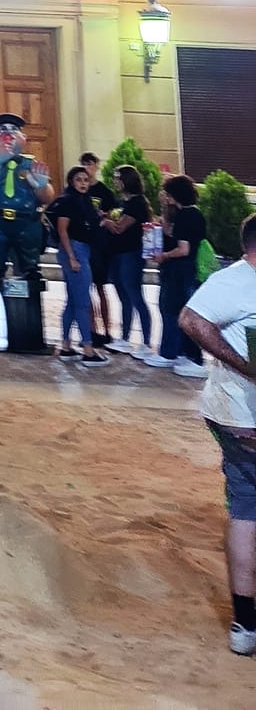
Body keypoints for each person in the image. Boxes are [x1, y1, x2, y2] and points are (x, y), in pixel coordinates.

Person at [178, 211, 256, 659]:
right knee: (246, 507)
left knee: (246, 509)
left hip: (236, 414)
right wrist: (244, 365)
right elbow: (191, 321)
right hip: (242, 416)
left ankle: (245, 623)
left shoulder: (236, 283)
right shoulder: (234, 282)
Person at [0, 113, 53, 292]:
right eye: (2, 129)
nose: (8, 133)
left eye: (14, 130)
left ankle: (31, 269)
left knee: (29, 251)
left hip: (26, 220)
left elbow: (47, 197)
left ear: (24, 138)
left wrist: (41, 185)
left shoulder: (30, 164)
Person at [148, 173, 207, 377]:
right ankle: (184, 353)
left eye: (168, 194)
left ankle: (173, 353)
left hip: (179, 270)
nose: (166, 197)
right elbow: (177, 235)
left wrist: (163, 256)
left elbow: (183, 249)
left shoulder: (184, 216)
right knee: (184, 312)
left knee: (171, 310)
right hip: (189, 270)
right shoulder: (195, 214)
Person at [49, 166, 107, 363]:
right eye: (78, 179)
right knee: (82, 302)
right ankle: (88, 349)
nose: (83, 183)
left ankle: (66, 345)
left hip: (81, 249)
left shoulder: (85, 201)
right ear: (71, 182)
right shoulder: (68, 201)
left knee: (73, 301)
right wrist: (72, 257)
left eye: (85, 179)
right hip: (74, 250)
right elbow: (63, 230)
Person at [102, 163, 154, 355]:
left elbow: (120, 227)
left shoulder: (137, 203)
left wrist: (105, 221)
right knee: (123, 296)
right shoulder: (122, 202)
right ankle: (124, 338)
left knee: (135, 295)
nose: (115, 181)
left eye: (118, 177)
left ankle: (147, 341)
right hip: (117, 253)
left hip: (131, 254)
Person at [79, 151, 117, 345]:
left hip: (99, 245)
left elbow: (113, 214)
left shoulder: (104, 191)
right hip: (83, 243)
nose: (87, 168)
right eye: (84, 164)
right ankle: (92, 329)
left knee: (100, 287)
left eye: (90, 164)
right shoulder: (77, 192)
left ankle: (107, 330)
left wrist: (104, 218)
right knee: (85, 289)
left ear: (96, 166)